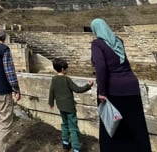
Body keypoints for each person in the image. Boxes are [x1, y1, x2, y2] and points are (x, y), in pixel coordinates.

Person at [89, 18, 151, 151]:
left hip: (114, 90)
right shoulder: (118, 41)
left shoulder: (97, 44)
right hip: (132, 86)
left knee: (113, 125)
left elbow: (101, 68)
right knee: (135, 125)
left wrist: (102, 91)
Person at [48, 58, 94, 152]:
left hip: (60, 106)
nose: (67, 70)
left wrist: (51, 102)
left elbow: (51, 91)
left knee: (64, 124)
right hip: (69, 107)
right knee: (73, 128)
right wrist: (88, 85)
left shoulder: (54, 79)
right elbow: (77, 89)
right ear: (62, 69)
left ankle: (65, 144)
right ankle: (76, 148)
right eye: (66, 68)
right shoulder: (67, 79)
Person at [0, 28, 21, 152]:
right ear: (4, 38)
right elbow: (9, 71)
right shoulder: (4, 49)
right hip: (3, 91)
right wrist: (16, 89)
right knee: (5, 122)